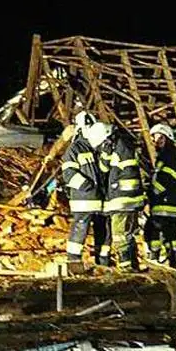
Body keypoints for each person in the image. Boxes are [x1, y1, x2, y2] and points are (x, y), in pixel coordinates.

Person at [61, 111, 111, 268]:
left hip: (100, 199)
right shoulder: (74, 149)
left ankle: (103, 261)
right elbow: (68, 173)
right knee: (81, 227)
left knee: (104, 229)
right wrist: (86, 186)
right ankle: (73, 261)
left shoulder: (97, 147)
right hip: (84, 199)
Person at [97, 122, 145, 270]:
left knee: (119, 235)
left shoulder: (118, 147)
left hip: (121, 200)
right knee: (128, 234)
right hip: (131, 200)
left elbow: (104, 168)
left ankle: (126, 268)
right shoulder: (124, 145)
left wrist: (104, 152)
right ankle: (133, 264)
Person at [145, 123, 176, 265]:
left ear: (168, 139)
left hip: (165, 203)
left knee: (153, 230)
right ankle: (174, 261)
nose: (156, 142)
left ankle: (155, 257)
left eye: (160, 139)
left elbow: (166, 178)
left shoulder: (169, 155)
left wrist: (151, 192)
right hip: (169, 202)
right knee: (170, 234)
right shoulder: (169, 155)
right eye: (155, 139)